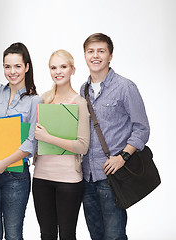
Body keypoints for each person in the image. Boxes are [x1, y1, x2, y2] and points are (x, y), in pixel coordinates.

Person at [80, 33, 150, 240]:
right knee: (96, 235)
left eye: (101, 51)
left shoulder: (125, 87)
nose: (95, 56)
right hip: (87, 176)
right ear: (84, 56)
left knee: (114, 236)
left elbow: (142, 129)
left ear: (110, 56)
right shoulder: (83, 90)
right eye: (91, 51)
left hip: (112, 176)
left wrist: (123, 157)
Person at [0, 42, 43, 240]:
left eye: (17, 66)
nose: (12, 71)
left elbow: (32, 142)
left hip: (16, 176)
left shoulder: (35, 101)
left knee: (13, 235)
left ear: (26, 67)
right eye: (7, 66)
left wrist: (4, 163)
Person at [32, 49, 90, 240]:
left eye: (63, 67)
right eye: (53, 67)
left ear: (72, 70)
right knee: (46, 235)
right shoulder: (44, 100)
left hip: (69, 180)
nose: (58, 71)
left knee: (66, 235)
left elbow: (82, 146)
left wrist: (48, 137)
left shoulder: (79, 103)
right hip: (41, 178)